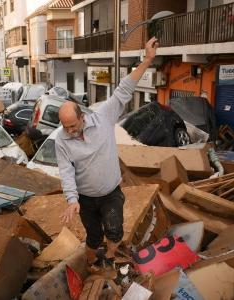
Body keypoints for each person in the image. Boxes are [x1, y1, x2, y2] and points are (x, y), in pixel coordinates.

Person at [55, 37, 159, 269]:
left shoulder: (102, 116)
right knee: (93, 237)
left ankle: (110, 257)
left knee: (114, 232)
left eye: (72, 125)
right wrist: (72, 199)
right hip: (86, 199)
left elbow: (124, 90)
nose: (69, 131)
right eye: (65, 127)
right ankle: (91, 264)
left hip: (111, 192)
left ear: (82, 116)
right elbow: (65, 170)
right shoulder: (61, 140)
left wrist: (147, 59)